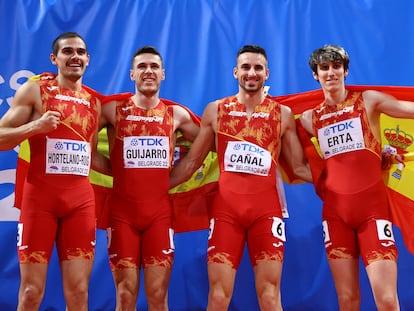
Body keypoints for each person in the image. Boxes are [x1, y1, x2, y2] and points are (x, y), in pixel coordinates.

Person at [169, 44, 312, 311]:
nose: (251, 72)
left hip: (266, 213)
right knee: (218, 297)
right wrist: (156, 189)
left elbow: (299, 168)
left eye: (258, 67)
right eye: (245, 67)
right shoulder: (216, 111)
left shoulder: (283, 115)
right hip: (226, 213)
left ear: (267, 73)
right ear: (236, 72)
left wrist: (345, 175)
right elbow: (190, 164)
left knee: (270, 297)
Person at [299, 44, 414, 311]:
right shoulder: (308, 119)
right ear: (316, 75)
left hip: (373, 212)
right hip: (336, 216)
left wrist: (381, 155)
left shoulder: (369, 101)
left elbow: (409, 110)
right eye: (324, 68)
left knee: (386, 300)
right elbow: (300, 165)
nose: (331, 72)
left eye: (336, 66)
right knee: (347, 301)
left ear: (345, 70)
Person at [0, 32, 101, 311]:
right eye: (68, 51)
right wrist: (35, 127)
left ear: (88, 59)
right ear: (54, 58)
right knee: (31, 292)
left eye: (81, 52)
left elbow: (91, 155)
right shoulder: (35, 91)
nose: (75, 57)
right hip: (40, 200)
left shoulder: (94, 103)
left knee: (79, 294)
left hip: (80, 202)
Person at [98, 46, 200, 311]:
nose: (148, 71)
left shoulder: (176, 116)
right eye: (142, 67)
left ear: (163, 74)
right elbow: (77, 137)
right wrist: (117, 172)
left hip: (159, 215)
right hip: (122, 214)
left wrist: (177, 176)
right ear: (132, 74)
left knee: (157, 295)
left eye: (154, 67)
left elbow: (208, 146)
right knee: (125, 294)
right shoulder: (112, 110)